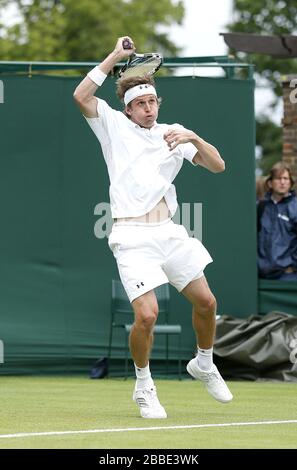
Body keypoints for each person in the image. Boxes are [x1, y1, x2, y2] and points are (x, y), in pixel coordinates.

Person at [73, 36, 233, 419]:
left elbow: (218, 165)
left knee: (207, 302)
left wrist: (193, 136)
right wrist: (115, 56)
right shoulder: (111, 126)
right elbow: (81, 96)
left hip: (170, 232)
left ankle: (204, 363)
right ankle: (144, 386)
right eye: (140, 104)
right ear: (127, 110)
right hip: (131, 236)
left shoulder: (173, 133)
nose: (148, 109)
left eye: (152, 102)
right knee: (146, 315)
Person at [258, 162, 297, 280]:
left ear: (290, 183)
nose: (283, 182)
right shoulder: (260, 207)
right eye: (278, 178)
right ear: (270, 183)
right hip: (260, 275)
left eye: (286, 178)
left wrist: (294, 265)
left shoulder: (295, 207)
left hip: (288, 275)